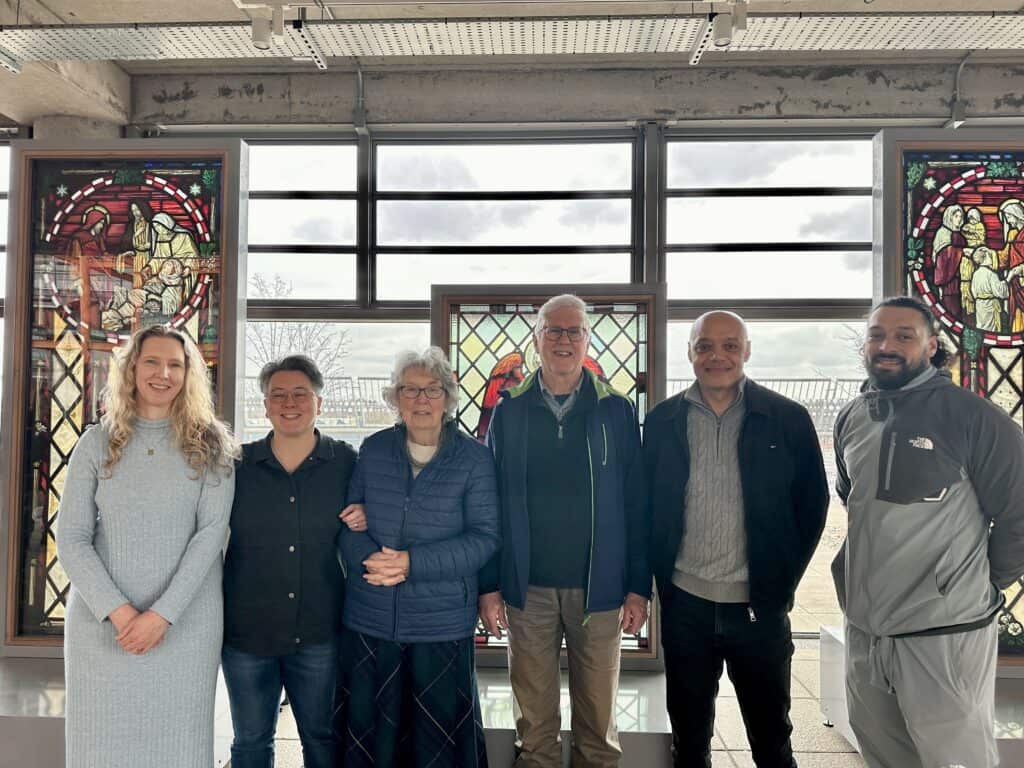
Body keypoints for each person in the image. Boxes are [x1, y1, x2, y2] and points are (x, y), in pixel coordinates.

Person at [833, 296, 1024, 768]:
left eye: (904, 335)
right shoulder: (852, 416)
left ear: (932, 346)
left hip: (944, 633)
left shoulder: (972, 417)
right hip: (867, 631)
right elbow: (853, 501)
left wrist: (981, 582)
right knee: (882, 753)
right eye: (877, 335)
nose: (886, 345)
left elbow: (1020, 511)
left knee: (955, 759)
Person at [642, 311, 828, 768]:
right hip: (686, 606)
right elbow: (644, 508)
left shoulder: (787, 419)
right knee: (689, 741)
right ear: (689, 353)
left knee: (771, 740)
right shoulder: (664, 421)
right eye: (704, 345)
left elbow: (813, 509)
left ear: (746, 351)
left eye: (729, 345)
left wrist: (779, 584)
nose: (716, 355)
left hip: (759, 612)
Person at [479, 293, 649, 768]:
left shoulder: (615, 410)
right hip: (525, 589)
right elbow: (490, 502)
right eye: (553, 330)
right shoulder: (510, 409)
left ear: (587, 340)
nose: (563, 339)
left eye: (574, 330)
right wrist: (489, 585)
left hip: (600, 591)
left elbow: (637, 505)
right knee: (535, 730)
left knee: (598, 730)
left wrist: (638, 587)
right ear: (535, 340)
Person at [56, 324, 238, 768]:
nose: (164, 373)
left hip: (186, 626)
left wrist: (161, 616)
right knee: (99, 747)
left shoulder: (213, 447)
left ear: (189, 374)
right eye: (152, 361)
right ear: (132, 368)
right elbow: (71, 538)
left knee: (178, 748)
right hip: (103, 629)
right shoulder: (95, 444)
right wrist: (122, 614)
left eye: (176, 364)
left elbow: (211, 536)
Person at [336, 347, 499, 767]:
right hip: (372, 618)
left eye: (432, 390)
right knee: (375, 741)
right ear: (395, 397)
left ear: (448, 396)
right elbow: (348, 524)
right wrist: (373, 562)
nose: (421, 400)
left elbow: (483, 539)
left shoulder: (474, 458)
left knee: (437, 746)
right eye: (410, 389)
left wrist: (410, 564)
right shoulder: (372, 450)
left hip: (440, 624)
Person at [222, 355, 364, 768]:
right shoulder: (237, 465)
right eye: (278, 395)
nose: (289, 403)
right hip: (247, 633)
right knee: (250, 742)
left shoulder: (346, 462)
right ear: (264, 405)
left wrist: (368, 512)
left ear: (319, 401)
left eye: (300, 394)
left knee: (322, 740)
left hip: (319, 631)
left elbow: (380, 511)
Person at [932, 204, 966, 320]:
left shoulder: (958, 233)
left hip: (959, 276)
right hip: (948, 278)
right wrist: (962, 252)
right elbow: (943, 256)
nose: (959, 219)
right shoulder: (943, 233)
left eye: (961, 216)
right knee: (951, 305)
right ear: (949, 217)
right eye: (956, 216)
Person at [997, 199, 1024, 331]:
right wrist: (985, 256)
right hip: (1015, 283)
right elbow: (1004, 257)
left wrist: (1020, 269)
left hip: (1020, 277)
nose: (1007, 221)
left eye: (1008, 217)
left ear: (1017, 215)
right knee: (1017, 314)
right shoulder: (1012, 234)